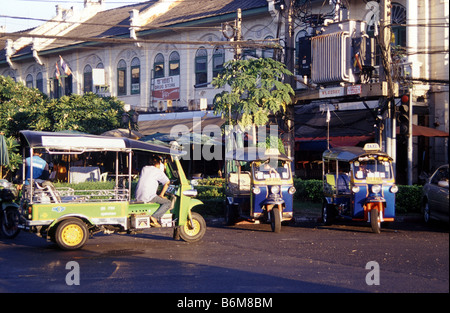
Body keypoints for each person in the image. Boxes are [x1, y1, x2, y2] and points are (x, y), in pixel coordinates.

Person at [135, 156, 171, 227]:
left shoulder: (144, 168)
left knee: (156, 196)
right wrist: (162, 194)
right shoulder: (158, 171)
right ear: (159, 163)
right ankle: (155, 217)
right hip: (148, 196)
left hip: (138, 196)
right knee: (168, 203)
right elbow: (167, 182)